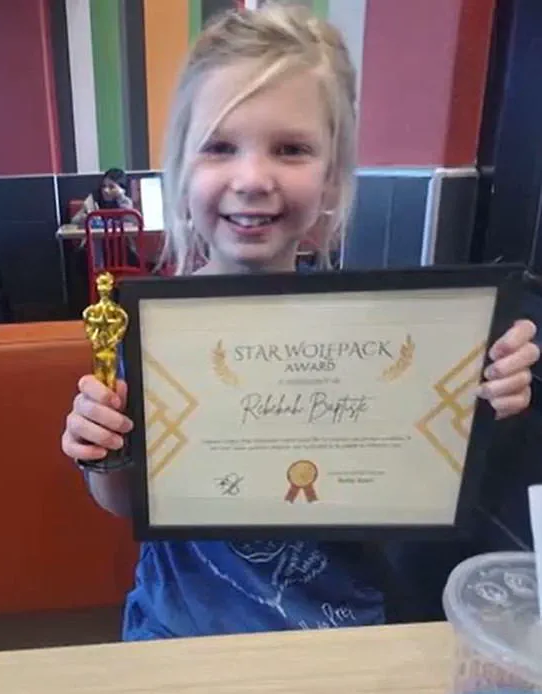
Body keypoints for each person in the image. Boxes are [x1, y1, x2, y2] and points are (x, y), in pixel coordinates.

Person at [61, 3, 540, 641]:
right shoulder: (153, 336)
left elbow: (423, 465)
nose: (252, 178)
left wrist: (482, 389)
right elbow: (126, 503)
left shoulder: (383, 333)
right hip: (179, 634)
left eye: (291, 149)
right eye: (220, 147)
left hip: (343, 632)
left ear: (332, 179)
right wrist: (102, 448)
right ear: (180, 169)